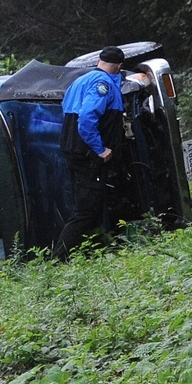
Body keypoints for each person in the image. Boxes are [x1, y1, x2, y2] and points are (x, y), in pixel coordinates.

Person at [57, 46, 126, 257]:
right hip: (88, 156)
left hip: (73, 151)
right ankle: (57, 259)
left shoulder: (79, 81)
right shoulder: (102, 84)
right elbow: (86, 119)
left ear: (99, 60)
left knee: (91, 205)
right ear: (120, 66)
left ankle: (94, 252)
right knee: (86, 211)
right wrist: (100, 149)